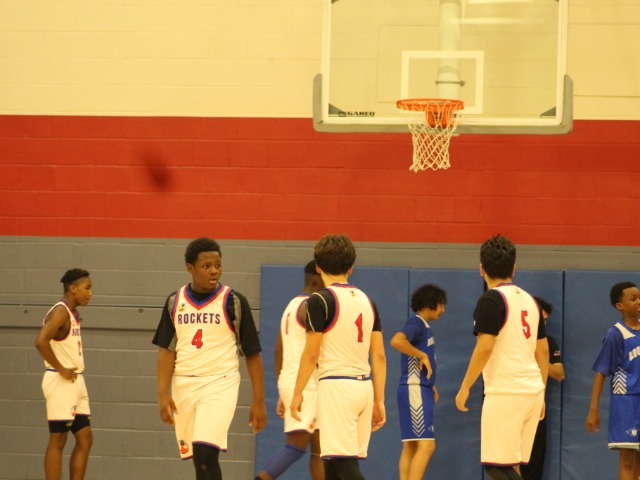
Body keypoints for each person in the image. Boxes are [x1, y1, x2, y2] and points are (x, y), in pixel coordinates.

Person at [152, 237, 267, 480]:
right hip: (184, 383)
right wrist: (163, 393)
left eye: (217, 265)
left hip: (220, 382)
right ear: (190, 268)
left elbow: (253, 354)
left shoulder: (234, 301)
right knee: (199, 460)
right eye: (206, 266)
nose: (214, 270)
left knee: (206, 453)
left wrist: (259, 400)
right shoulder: (175, 301)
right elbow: (167, 350)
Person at [290, 233, 387, 480]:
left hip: (337, 387)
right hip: (364, 387)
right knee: (332, 465)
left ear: (318, 266)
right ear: (351, 267)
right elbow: (379, 355)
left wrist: (297, 392)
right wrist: (379, 399)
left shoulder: (320, 300)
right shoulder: (368, 302)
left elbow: (311, 354)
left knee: (345, 467)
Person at [455, 234, 549, 480]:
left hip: (506, 391)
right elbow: (543, 351)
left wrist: (465, 387)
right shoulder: (531, 301)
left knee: (496, 466)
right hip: (532, 391)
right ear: (514, 268)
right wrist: (541, 392)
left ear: (481, 269)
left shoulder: (491, 299)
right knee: (511, 464)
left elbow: (484, 348)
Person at [255, 261, 324, 480]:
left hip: (295, 381)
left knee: (320, 448)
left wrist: (282, 390)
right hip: (306, 384)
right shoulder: (312, 306)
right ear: (317, 280)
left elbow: (278, 350)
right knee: (296, 446)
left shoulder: (291, 305)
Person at [34, 268, 94, 480]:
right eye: (87, 288)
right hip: (60, 380)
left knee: (85, 437)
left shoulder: (72, 313)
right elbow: (40, 341)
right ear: (73, 288)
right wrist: (60, 368)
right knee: (58, 440)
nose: (90, 293)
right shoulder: (60, 312)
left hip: (75, 380)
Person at [390, 283, 447, 480]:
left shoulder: (423, 326)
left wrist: (430, 383)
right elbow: (397, 340)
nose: (443, 310)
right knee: (427, 445)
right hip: (414, 389)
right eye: (441, 304)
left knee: (411, 445)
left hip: (419, 387)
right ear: (430, 303)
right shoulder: (416, 322)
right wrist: (422, 355)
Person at [586, 281, 640, 480]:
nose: (638, 302)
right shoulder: (615, 334)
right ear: (620, 306)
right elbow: (601, 372)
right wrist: (594, 409)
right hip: (626, 402)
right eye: (633, 299)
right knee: (627, 460)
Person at [521, 297, 565, 480]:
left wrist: (539, 356)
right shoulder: (513, 342)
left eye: (545, 321)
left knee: (534, 460)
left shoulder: (548, 342)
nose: (543, 325)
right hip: (511, 404)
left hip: (537, 407)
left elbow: (559, 373)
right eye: (540, 320)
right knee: (506, 461)